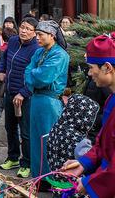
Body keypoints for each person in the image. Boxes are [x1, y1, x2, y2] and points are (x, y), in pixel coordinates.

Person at [62, 32, 115, 197]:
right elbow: (103, 142)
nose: (90, 74)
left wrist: (90, 183)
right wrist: (84, 163)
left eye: (91, 68)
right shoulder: (111, 100)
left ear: (107, 67)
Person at [25, 20, 69, 188]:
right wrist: (33, 75)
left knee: (48, 140)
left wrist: (33, 74)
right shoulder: (39, 52)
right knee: (35, 140)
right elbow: (29, 71)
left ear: (52, 36)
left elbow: (43, 77)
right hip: (37, 99)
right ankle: (38, 177)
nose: (37, 38)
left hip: (50, 102)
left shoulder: (60, 54)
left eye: (40, 35)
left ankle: (50, 179)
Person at [0, 16, 39, 178]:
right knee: (10, 127)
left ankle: (26, 162)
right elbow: (4, 57)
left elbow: (34, 76)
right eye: (23, 27)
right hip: (10, 91)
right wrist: (1, 70)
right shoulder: (13, 41)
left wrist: (24, 92)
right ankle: (12, 157)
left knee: (26, 132)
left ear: (35, 33)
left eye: (29, 29)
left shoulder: (36, 48)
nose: (24, 31)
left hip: (26, 97)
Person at [46, 94, 99, 198]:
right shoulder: (81, 141)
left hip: (58, 187)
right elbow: (91, 165)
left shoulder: (56, 129)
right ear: (85, 117)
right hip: (76, 190)